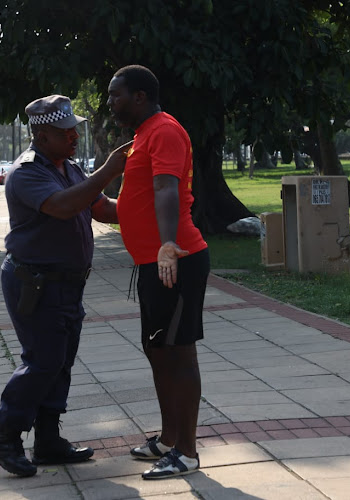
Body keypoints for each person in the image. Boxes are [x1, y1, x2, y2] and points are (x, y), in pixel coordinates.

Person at [0, 94, 132, 477]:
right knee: (43, 361)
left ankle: (48, 440)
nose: (75, 137)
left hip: (66, 284)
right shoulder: (27, 172)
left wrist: (151, 207)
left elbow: (103, 209)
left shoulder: (68, 168)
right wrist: (108, 170)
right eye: (67, 131)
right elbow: (64, 206)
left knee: (60, 364)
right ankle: (5, 436)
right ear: (43, 134)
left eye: (75, 130)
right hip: (36, 284)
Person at [108, 65, 209, 480]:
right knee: (158, 352)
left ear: (140, 96)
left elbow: (166, 189)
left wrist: (167, 245)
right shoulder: (141, 137)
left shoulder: (164, 130)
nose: (109, 102)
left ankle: (186, 451)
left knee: (178, 353)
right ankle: (168, 440)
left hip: (176, 260)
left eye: (116, 94)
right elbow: (134, 202)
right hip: (154, 263)